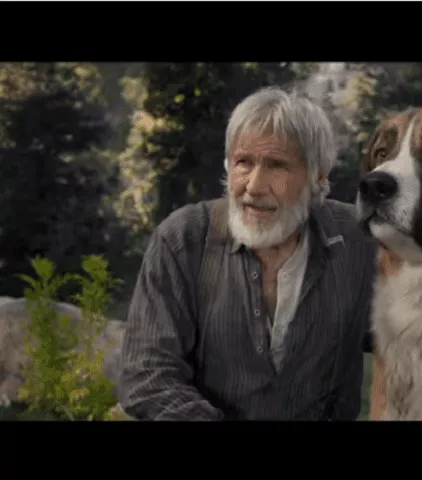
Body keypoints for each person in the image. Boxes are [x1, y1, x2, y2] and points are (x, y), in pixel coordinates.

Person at [117, 86, 377, 421]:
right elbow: (148, 373)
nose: (253, 187)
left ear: (318, 175)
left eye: (277, 166)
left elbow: (410, 342)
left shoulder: (358, 241)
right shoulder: (184, 239)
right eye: (243, 162)